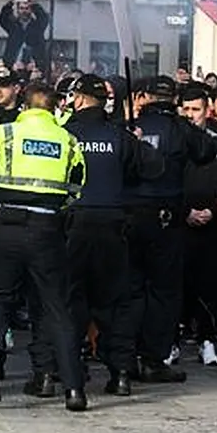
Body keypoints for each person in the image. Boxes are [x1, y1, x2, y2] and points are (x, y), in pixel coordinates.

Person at [0, 83, 87, 411]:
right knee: (56, 306)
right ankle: (74, 388)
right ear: (53, 108)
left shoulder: (5, 134)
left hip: (6, 225)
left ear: (24, 105)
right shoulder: (67, 140)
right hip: (47, 229)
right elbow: (77, 187)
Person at [62, 74, 164, 397]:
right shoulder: (118, 136)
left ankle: (65, 373)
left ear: (77, 100)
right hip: (113, 225)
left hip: (72, 226)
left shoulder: (64, 135)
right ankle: (120, 372)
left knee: (69, 299)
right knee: (114, 303)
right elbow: (150, 169)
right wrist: (136, 142)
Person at [125, 76, 217, 383]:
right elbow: (206, 151)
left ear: (146, 97)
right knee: (163, 290)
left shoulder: (129, 126)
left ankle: (125, 355)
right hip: (166, 217)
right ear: (174, 99)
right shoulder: (180, 128)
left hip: (129, 216)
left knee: (131, 287)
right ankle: (152, 357)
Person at [179, 87, 217, 366]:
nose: (190, 115)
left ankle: (207, 341)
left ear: (206, 110)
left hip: (210, 224)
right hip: (180, 224)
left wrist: (214, 210)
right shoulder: (175, 144)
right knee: (176, 286)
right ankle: (171, 342)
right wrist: (185, 212)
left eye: (195, 109)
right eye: (186, 109)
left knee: (209, 286)